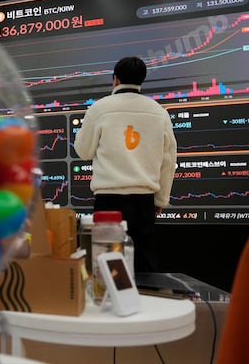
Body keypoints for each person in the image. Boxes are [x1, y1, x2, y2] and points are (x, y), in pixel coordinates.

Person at [73, 56, 177, 273]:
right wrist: (161, 199)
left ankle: (110, 303)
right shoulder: (158, 111)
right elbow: (168, 160)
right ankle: (147, 303)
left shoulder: (99, 108)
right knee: (144, 260)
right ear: (142, 80)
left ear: (115, 79)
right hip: (143, 201)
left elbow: (83, 152)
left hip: (108, 199)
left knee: (106, 261)